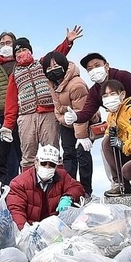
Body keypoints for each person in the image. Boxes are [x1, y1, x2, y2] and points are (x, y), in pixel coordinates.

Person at [0, 29, 81, 168]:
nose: (21, 53)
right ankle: (28, 187)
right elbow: (11, 102)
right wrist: (7, 125)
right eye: (17, 52)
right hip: (26, 116)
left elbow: (57, 54)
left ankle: (57, 186)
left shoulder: (42, 64)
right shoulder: (14, 75)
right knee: (28, 155)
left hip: (48, 113)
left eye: (24, 49)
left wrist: (68, 42)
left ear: (30, 51)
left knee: (52, 152)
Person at [65, 52, 131, 190]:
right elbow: (87, 112)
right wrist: (75, 117)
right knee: (106, 143)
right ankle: (120, 183)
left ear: (106, 66)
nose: (94, 70)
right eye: (89, 69)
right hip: (117, 124)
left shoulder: (123, 76)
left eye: (97, 65)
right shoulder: (95, 91)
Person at [42, 51, 93, 196]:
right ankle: (69, 189)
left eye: (56, 66)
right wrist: (64, 119)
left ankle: (86, 190)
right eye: (49, 68)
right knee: (68, 154)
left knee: (82, 153)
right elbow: (57, 108)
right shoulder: (52, 83)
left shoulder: (77, 85)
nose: (53, 70)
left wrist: (81, 136)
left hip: (83, 120)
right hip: (66, 122)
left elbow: (81, 112)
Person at [6, 145, 84, 229]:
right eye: (43, 163)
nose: (47, 167)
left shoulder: (62, 176)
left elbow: (77, 187)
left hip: (55, 227)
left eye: (52, 165)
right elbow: (16, 211)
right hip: (30, 227)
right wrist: (24, 231)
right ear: (36, 162)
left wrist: (68, 197)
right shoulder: (19, 183)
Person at [0, 31, 24, 183]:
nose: (5, 46)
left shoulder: (21, 64)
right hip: (0, 118)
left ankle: (23, 188)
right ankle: (1, 190)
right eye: (2, 43)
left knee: (23, 155)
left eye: (8, 43)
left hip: (21, 115)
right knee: (0, 158)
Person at [102, 80, 131, 197]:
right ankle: (120, 184)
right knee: (106, 142)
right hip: (130, 153)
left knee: (128, 169)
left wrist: (121, 144)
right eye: (105, 96)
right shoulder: (111, 115)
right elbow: (108, 140)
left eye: (112, 94)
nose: (109, 98)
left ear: (122, 94)